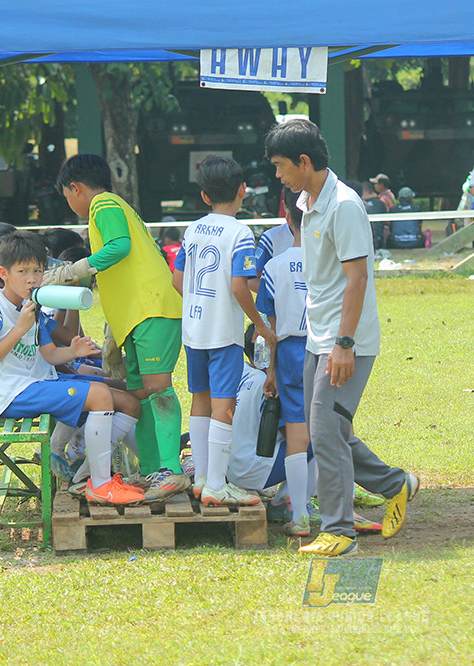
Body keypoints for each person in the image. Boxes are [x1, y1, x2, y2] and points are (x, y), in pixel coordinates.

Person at [265, 118, 418, 557]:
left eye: (281, 166)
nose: (278, 175)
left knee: (327, 432)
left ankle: (339, 533)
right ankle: (396, 484)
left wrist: (345, 344)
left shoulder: (345, 206)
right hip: (320, 335)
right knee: (325, 427)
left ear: (304, 161)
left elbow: (357, 280)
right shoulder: (307, 199)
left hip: (345, 339)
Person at [44, 153, 188, 503]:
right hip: (137, 316)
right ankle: (154, 469)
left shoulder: (103, 205)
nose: (70, 202)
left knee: (157, 389)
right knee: (139, 395)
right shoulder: (114, 206)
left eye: (67, 196)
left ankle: (171, 469)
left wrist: (72, 270)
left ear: (75, 188)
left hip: (152, 308)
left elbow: (119, 248)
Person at [0, 230, 145, 505]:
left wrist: (74, 351)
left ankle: (86, 476)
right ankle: (100, 484)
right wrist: (19, 329)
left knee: (131, 403)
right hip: (11, 393)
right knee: (101, 396)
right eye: (22, 271)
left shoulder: (30, 304)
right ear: (4, 272)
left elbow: (49, 354)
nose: (32, 279)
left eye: (37, 271)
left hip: (39, 381)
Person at [172, 155, 277, 507]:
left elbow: (178, 279)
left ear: (204, 196)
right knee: (223, 405)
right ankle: (217, 483)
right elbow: (238, 286)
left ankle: (202, 477)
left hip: (194, 330)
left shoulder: (193, 230)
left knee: (200, 399)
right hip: (223, 333)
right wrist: (260, 324)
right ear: (242, 190)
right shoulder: (240, 233)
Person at [256, 188, 313, 535]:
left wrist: (271, 371)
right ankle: (330, 506)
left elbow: (272, 329)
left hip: (290, 353)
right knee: (328, 432)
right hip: (326, 351)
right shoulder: (331, 261)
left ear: (287, 218)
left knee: (296, 435)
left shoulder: (274, 268)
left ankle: (300, 515)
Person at [359, 180, 389, 250]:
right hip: (378, 240)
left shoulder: (357, 203)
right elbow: (387, 222)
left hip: (363, 242)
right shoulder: (380, 202)